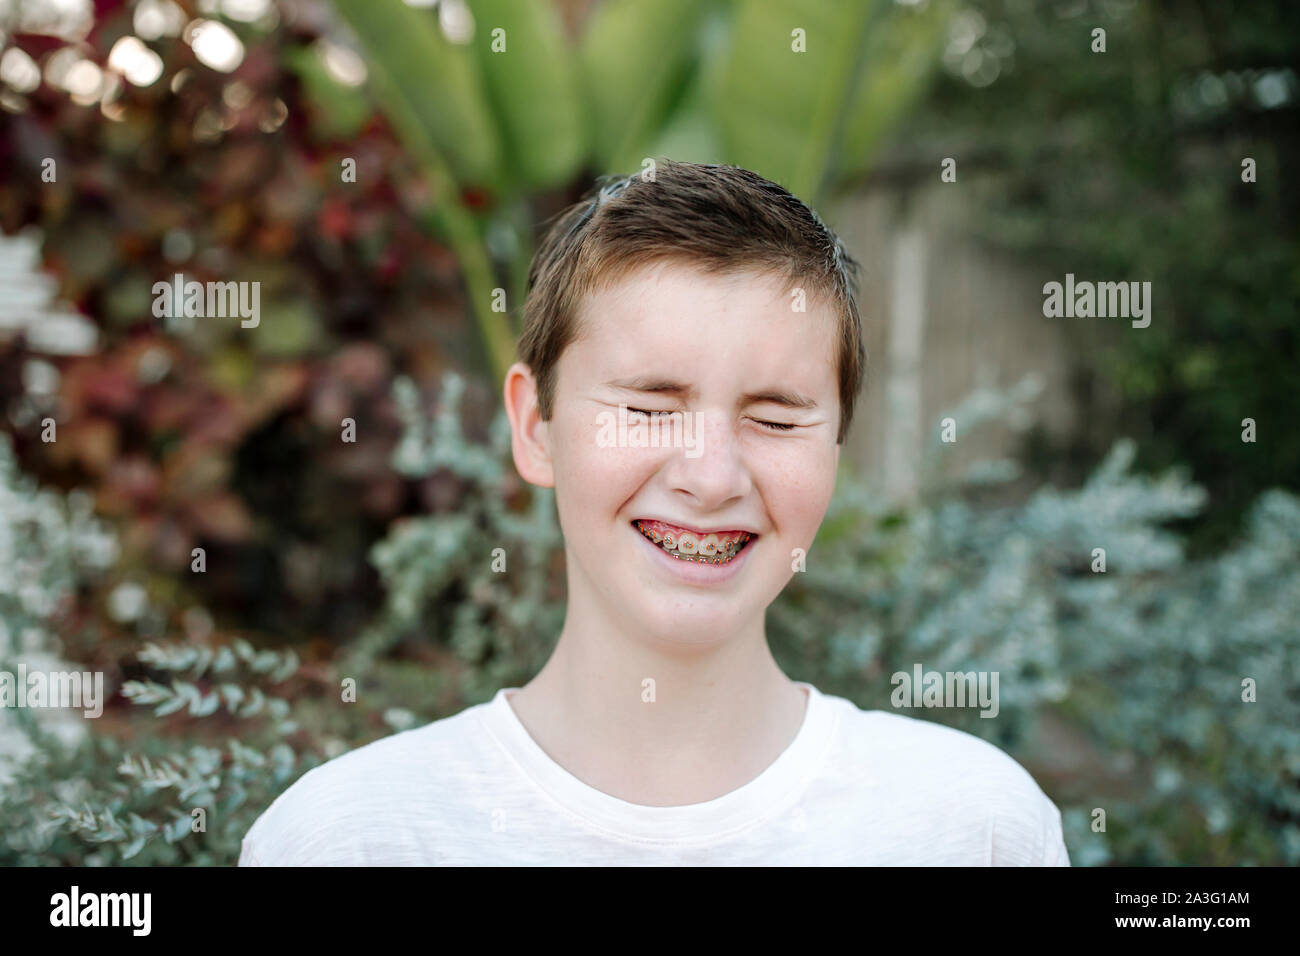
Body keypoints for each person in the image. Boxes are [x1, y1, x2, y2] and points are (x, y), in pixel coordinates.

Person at [240, 160, 1070, 866]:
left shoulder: (974, 829)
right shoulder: (351, 841)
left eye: (776, 419)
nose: (711, 477)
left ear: (836, 450)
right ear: (536, 428)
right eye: (647, 409)